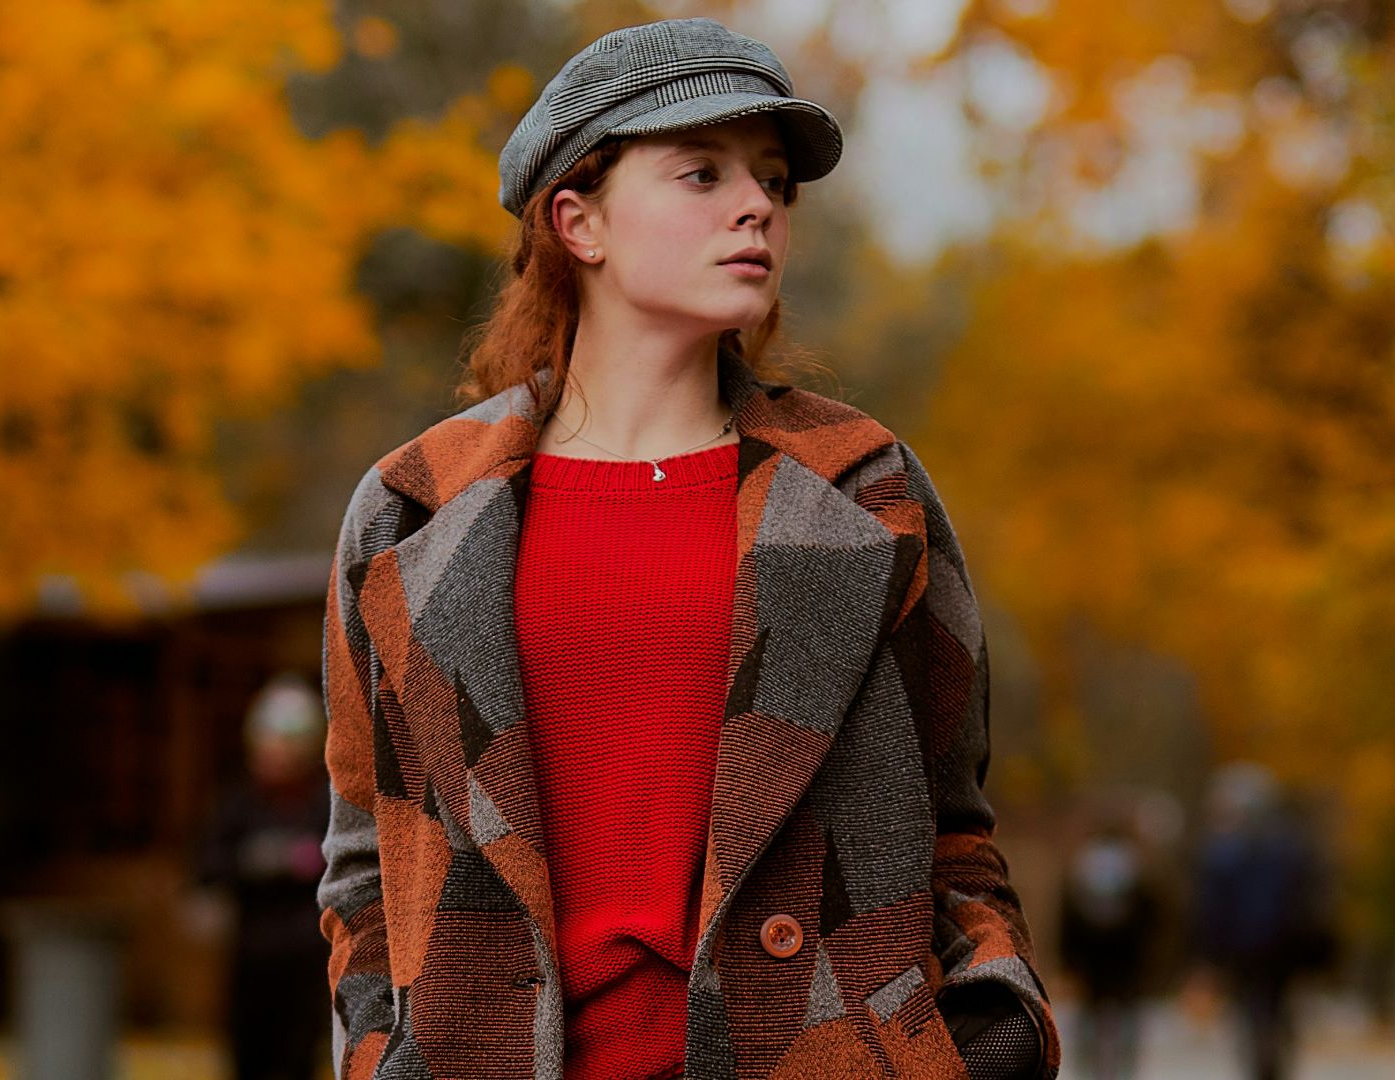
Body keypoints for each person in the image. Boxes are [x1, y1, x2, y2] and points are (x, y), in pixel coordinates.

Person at [314, 16, 1061, 1080]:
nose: (755, 204)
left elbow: (957, 838)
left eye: (771, 181)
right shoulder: (415, 510)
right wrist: (380, 1054)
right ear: (579, 221)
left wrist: (994, 1037)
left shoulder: (860, 489)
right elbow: (362, 862)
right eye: (700, 173)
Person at [192, 672, 333, 1080]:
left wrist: (300, 863)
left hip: (306, 961)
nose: (275, 756)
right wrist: (255, 863)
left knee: (297, 1059)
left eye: (287, 745)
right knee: (248, 1057)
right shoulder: (238, 805)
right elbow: (206, 868)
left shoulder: (322, 806)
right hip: (251, 961)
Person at [1188, 761, 1333, 1080]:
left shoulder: (1223, 850)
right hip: (1282, 944)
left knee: (1254, 1008)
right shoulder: (1291, 845)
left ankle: (1263, 1057)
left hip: (1247, 947)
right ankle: (1272, 1056)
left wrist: (1209, 955)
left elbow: (1212, 907)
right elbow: (1312, 897)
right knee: (1275, 1006)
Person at [1056, 813, 1161, 1080]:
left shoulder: (1082, 865)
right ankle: (1124, 1071)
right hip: (1126, 955)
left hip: (1091, 955)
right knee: (1126, 1016)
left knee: (1089, 1015)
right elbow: (1151, 914)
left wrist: (1068, 958)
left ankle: (1090, 1071)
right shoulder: (1135, 865)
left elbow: (1068, 916)